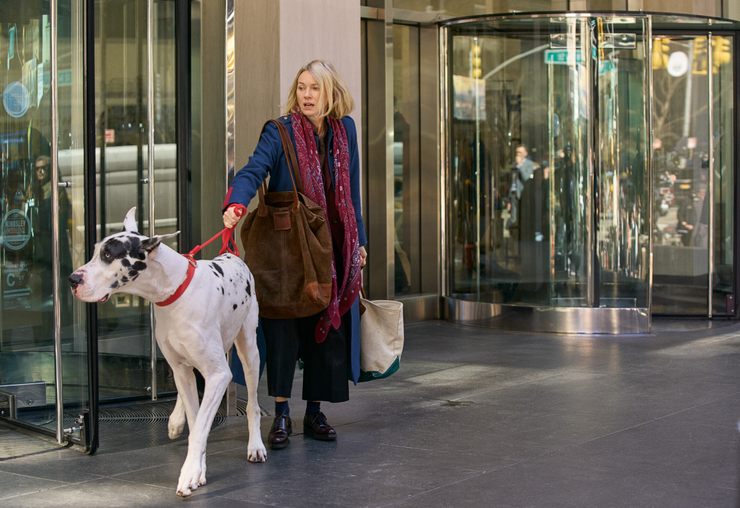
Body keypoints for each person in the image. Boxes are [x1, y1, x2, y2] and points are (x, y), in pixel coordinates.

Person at [222, 60, 367, 450]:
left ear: (330, 92)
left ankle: (315, 411)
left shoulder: (345, 130)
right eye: (301, 87)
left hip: (332, 247)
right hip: (288, 248)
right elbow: (253, 169)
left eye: (314, 88)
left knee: (325, 327)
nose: (306, 95)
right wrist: (237, 202)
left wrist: (360, 241)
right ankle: (282, 412)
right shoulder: (280, 130)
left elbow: (351, 189)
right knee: (283, 328)